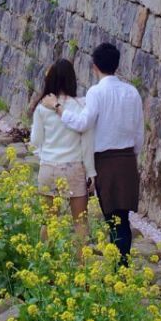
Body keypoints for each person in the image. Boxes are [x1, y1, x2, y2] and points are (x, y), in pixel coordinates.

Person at [44, 41, 144, 261]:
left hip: (105, 161)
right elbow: (139, 134)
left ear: (94, 66)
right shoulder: (132, 92)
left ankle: (119, 267)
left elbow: (82, 123)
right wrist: (131, 156)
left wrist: (58, 108)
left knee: (112, 217)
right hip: (127, 160)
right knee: (122, 218)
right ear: (117, 65)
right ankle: (122, 267)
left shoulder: (96, 92)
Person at [29, 58, 93, 249]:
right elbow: (87, 144)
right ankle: (83, 268)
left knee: (49, 221)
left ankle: (46, 265)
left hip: (49, 167)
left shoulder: (42, 108)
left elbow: (35, 140)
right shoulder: (82, 106)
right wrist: (91, 173)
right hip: (74, 167)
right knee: (80, 222)